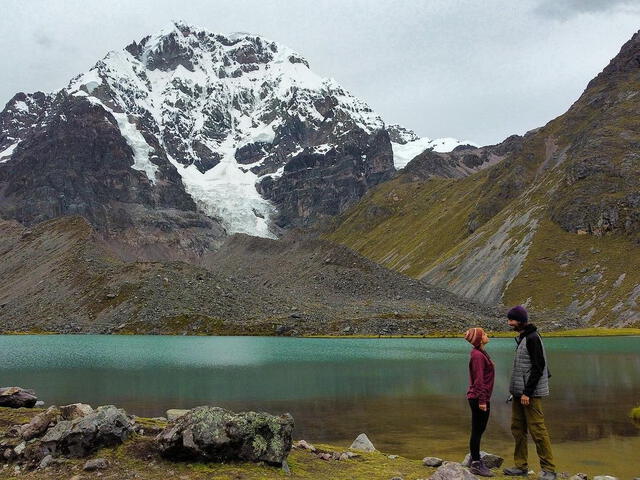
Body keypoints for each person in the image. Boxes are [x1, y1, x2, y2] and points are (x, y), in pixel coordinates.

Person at [503, 306, 556, 480]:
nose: (510, 323)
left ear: (521, 321)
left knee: (538, 430)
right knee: (518, 428)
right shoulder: (523, 338)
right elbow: (522, 369)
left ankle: (549, 469)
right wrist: (516, 392)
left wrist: (527, 392)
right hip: (519, 393)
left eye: (512, 320)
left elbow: (539, 367)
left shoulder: (533, 338)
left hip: (529, 395)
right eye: (509, 320)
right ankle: (521, 466)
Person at [464, 327, 495, 477]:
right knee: (477, 430)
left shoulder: (480, 353)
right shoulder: (477, 355)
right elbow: (479, 380)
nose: (487, 335)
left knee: (478, 430)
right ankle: (476, 463)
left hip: (479, 397)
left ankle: (473, 458)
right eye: (484, 334)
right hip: (478, 398)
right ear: (479, 339)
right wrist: (482, 401)